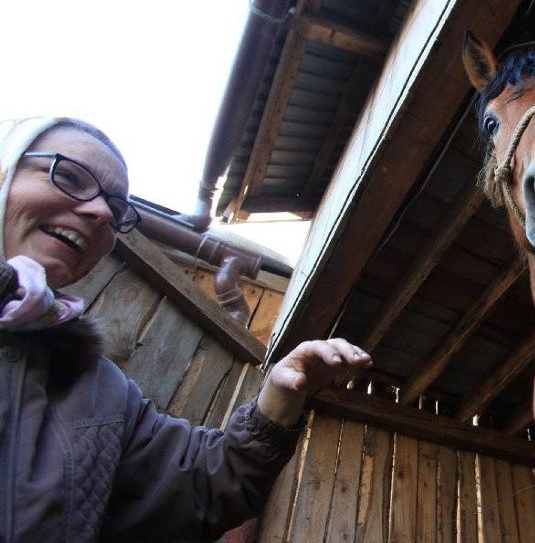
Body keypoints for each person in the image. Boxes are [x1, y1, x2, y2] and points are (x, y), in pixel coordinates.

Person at [0, 116, 373, 542]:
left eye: (116, 208)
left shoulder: (98, 391)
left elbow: (200, 486)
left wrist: (278, 399)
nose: (101, 211)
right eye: (68, 176)